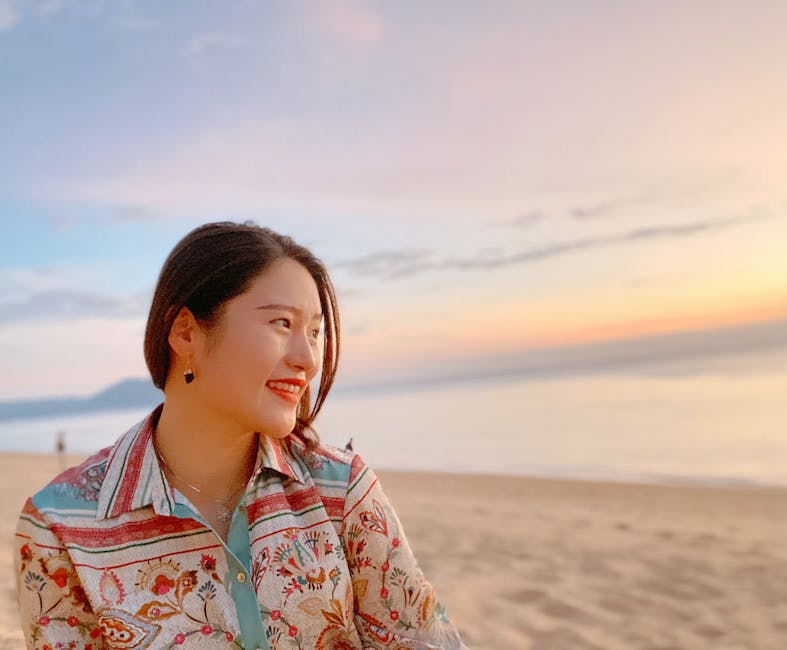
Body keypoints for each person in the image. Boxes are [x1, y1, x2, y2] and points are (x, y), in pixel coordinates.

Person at [14, 221, 467, 649]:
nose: (308, 358)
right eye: (282, 324)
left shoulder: (341, 490)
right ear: (185, 331)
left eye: (314, 332)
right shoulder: (62, 528)